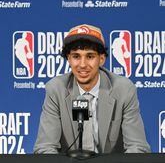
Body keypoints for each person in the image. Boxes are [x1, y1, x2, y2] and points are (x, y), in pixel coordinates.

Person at [34, 24, 150, 154]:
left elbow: (137, 147)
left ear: (101, 59)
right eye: (76, 56)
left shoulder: (124, 90)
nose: (82, 65)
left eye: (90, 56)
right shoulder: (56, 89)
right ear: (68, 59)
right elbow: (45, 148)